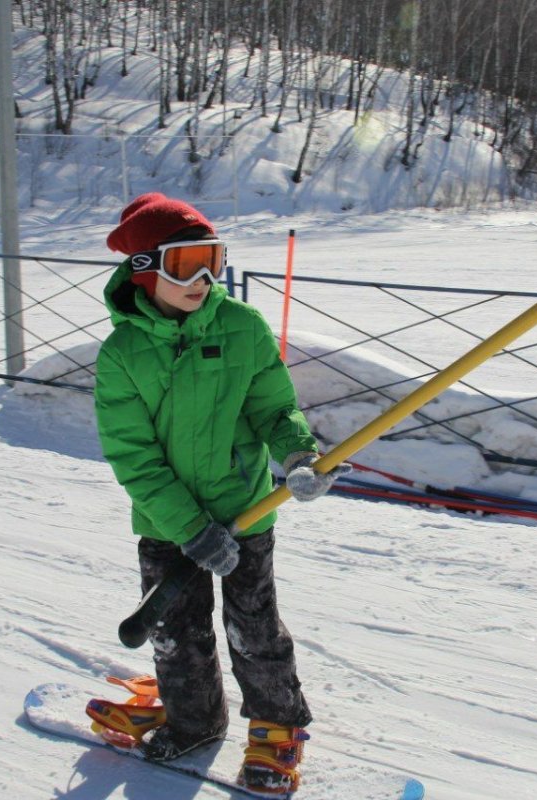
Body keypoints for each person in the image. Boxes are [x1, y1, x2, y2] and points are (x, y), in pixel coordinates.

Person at [91, 192, 349, 794]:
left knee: (254, 627)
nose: (205, 279)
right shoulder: (122, 355)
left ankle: (277, 728)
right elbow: (134, 458)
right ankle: (195, 720)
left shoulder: (242, 327)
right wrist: (188, 528)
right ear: (144, 269)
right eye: (186, 264)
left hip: (244, 510)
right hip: (166, 522)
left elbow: (274, 408)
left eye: (214, 259)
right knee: (177, 633)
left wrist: (297, 453)